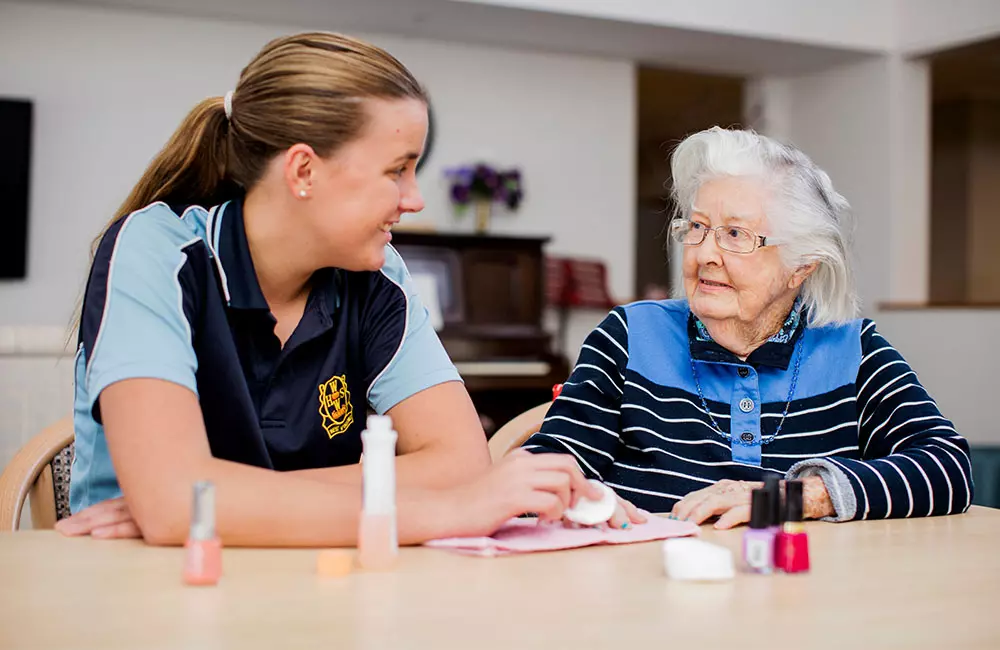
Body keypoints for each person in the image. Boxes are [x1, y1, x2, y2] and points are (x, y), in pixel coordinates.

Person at [56, 31, 617, 546]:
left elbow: (460, 464)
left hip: (315, 578)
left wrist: (220, 498)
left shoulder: (378, 275)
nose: (415, 198)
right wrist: (449, 510)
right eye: (397, 170)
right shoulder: (154, 251)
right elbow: (174, 507)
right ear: (303, 171)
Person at [523, 126, 973, 528]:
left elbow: (948, 467)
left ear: (801, 266)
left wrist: (798, 496)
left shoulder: (852, 350)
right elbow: (547, 471)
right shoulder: (629, 336)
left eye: (735, 235)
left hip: (809, 602)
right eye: (697, 227)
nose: (703, 254)